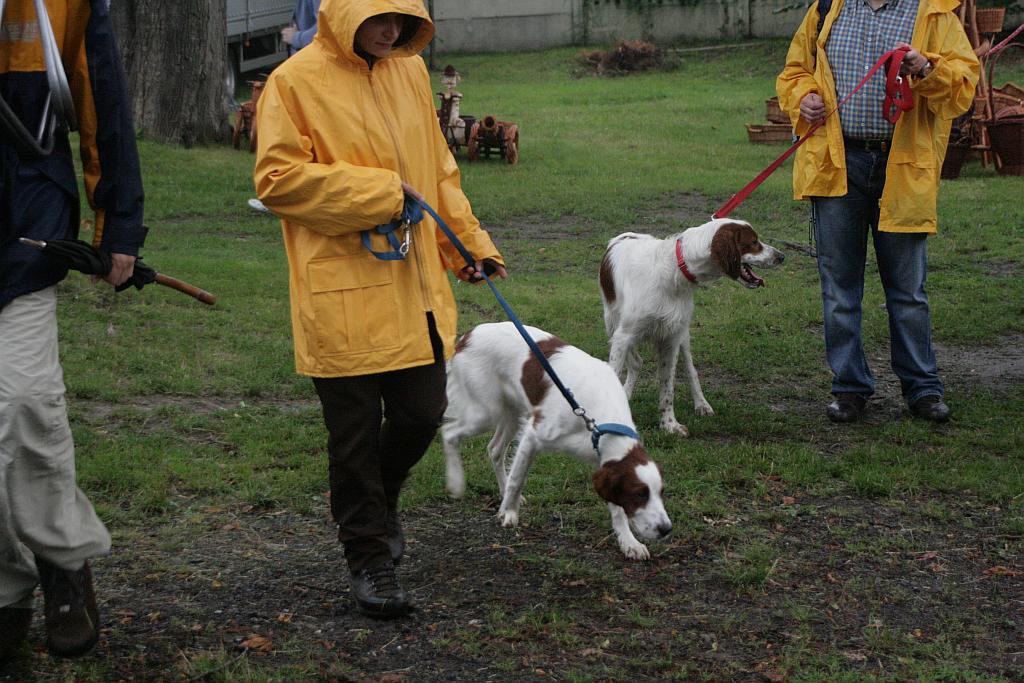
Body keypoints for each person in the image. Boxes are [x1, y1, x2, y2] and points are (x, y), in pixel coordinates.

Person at [253, 0, 506, 618]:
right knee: (354, 440)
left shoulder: (409, 73)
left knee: (424, 414)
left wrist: (467, 245)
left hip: (414, 289)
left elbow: (439, 170)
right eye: (378, 18)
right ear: (343, 13)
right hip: (338, 295)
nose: (391, 31)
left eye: (401, 18)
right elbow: (278, 180)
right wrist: (381, 194)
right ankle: (369, 558)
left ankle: (381, 495)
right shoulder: (293, 81)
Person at [0, 0, 145, 659]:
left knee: (25, 399)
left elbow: (102, 95)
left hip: (25, 221)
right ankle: (6, 589)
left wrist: (118, 222)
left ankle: (61, 562)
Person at [776, 0, 978, 423]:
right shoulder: (827, 8)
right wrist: (804, 98)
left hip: (902, 167)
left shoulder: (935, 13)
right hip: (838, 164)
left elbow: (963, 86)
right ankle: (849, 389)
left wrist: (926, 67)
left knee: (908, 290)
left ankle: (922, 388)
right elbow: (794, 72)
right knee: (839, 290)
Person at [248, 0, 321, 214]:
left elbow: (326, 26)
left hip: (308, 73)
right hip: (306, 72)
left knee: (291, 136)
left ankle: (281, 196)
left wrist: (295, 37)